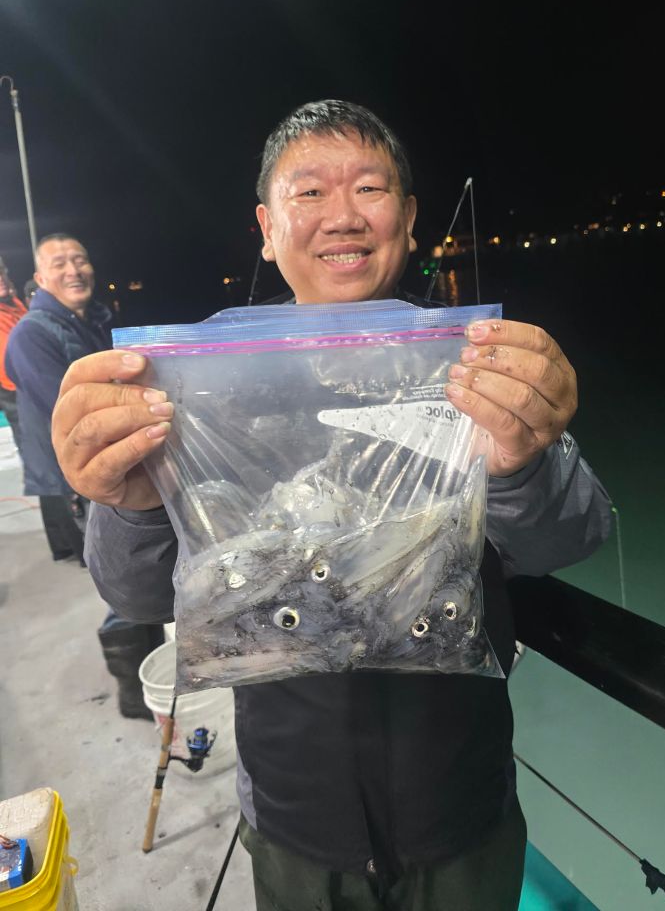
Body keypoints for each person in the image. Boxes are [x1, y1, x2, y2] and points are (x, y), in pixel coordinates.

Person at [51, 101, 612, 910]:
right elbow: (137, 594)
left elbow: (575, 533)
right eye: (308, 193)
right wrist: (126, 501)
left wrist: (523, 459)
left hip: (461, 806)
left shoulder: (472, 364)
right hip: (292, 818)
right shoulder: (195, 381)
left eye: (372, 189)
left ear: (410, 220)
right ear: (267, 227)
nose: (342, 217)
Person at [6, 234, 162, 718]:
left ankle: (151, 662)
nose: (74, 270)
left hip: (115, 466)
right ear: (40, 278)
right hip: (75, 476)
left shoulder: (94, 319)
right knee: (117, 578)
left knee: (140, 570)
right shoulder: (31, 334)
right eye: (60, 263)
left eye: (81, 259)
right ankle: (135, 691)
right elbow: (70, 413)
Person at [0, 259, 27, 456]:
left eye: (1, 272)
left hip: (33, 387)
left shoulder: (16, 303)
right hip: (14, 392)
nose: (1, 279)